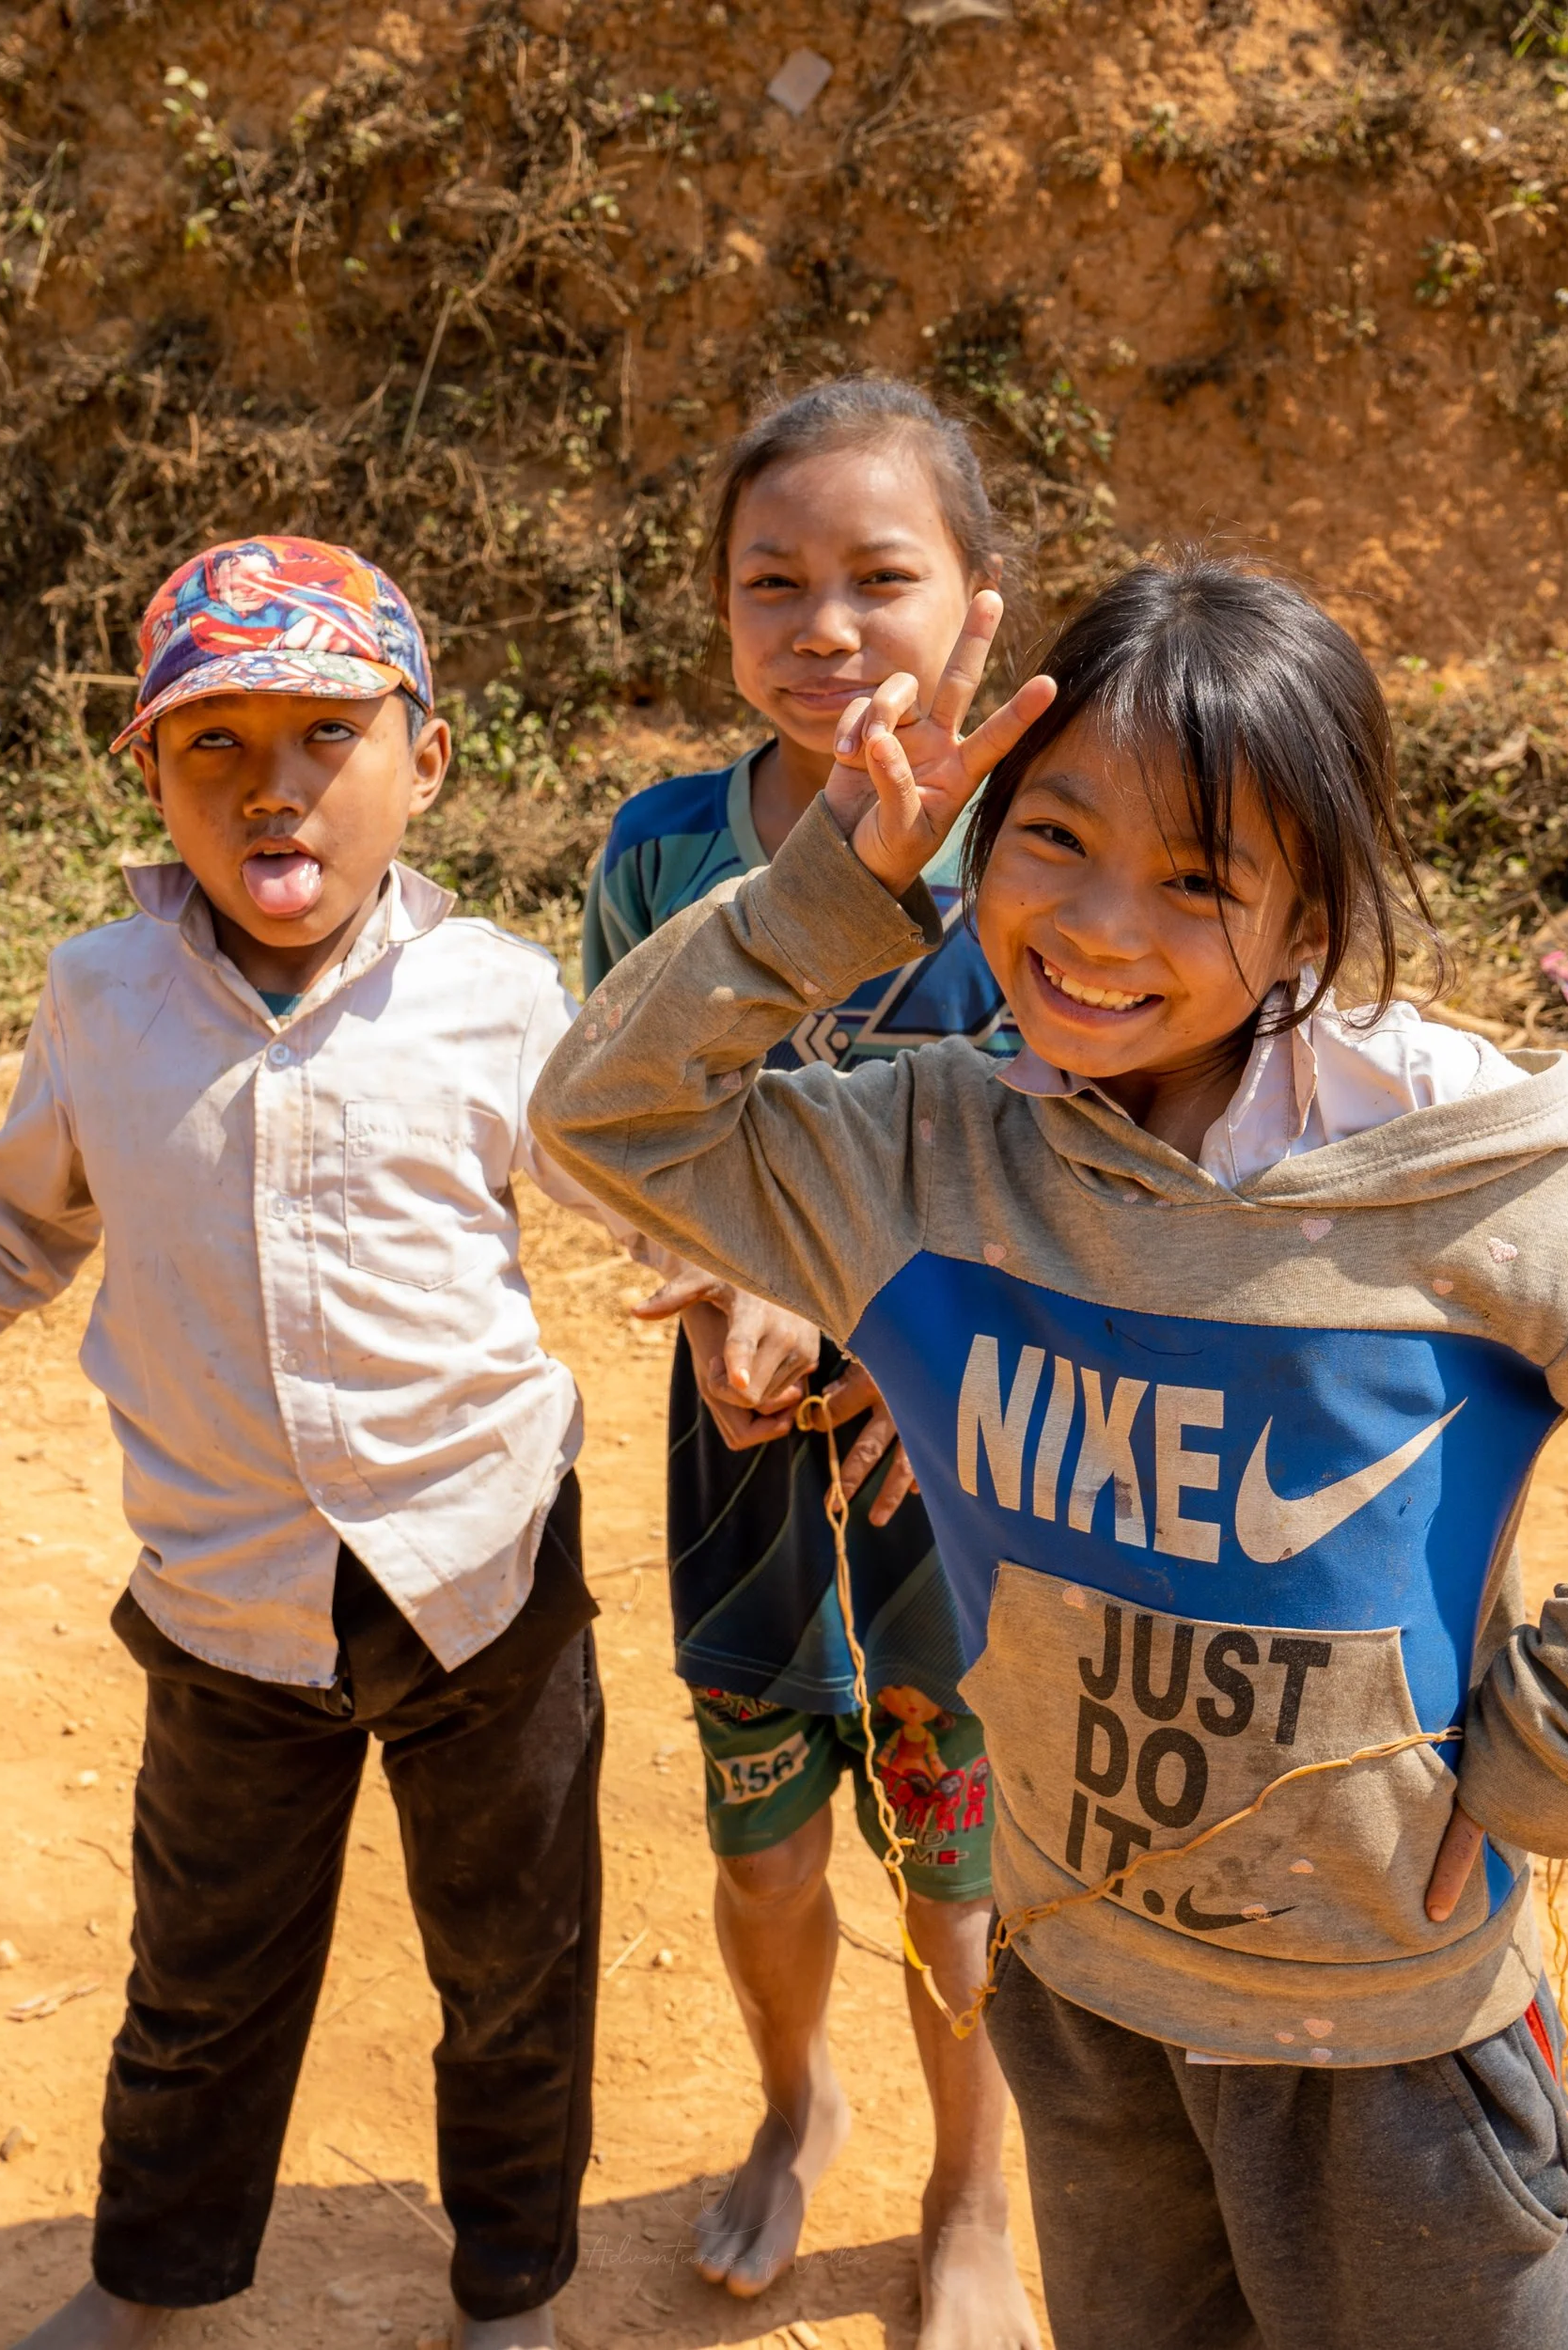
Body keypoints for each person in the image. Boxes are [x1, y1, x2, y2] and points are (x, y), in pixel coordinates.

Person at [531, 552, 1568, 2349]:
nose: (1104, 926)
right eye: (1052, 841)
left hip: (1391, 2024)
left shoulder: (1441, 1183)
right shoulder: (928, 1158)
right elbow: (603, 1118)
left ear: (1306, 922)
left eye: (1201, 878)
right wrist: (830, 887)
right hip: (1079, 1977)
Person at [0, 536, 657, 2350]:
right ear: (149, 779)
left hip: (481, 1576)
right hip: (226, 1604)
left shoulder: (494, 995)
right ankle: (150, 2283)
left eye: (327, 731)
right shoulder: (103, 998)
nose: (274, 783)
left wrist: (745, 1297)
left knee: (515, 1973)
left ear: (427, 759)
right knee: (202, 1982)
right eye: (215, 745)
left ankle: (511, 2295)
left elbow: (633, 1190)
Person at [580, 379, 1038, 2348]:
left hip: (964, 1462)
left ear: (979, 613)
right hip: (738, 1445)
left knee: (954, 1861)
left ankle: (967, 2184)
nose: (824, 627)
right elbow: (615, 1127)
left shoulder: (1038, 853)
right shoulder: (662, 849)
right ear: (717, 616)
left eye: (879, 578)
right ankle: (794, 2099)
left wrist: (891, 1319)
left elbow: (1082, 1155)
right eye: (772, 582)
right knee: (756, 1837)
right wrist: (708, 1283)